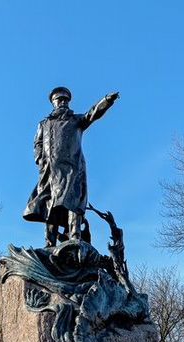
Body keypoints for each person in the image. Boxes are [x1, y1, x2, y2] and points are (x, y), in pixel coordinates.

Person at [23, 87, 119, 247]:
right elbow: (38, 143)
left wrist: (106, 101)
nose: (62, 102)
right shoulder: (44, 124)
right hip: (50, 171)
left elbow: (93, 113)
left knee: (73, 202)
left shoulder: (76, 120)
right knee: (50, 205)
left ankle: (75, 237)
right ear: (53, 103)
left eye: (65, 100)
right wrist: (40, 159)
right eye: (59, 100)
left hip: (72, 169)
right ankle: (49, 243)